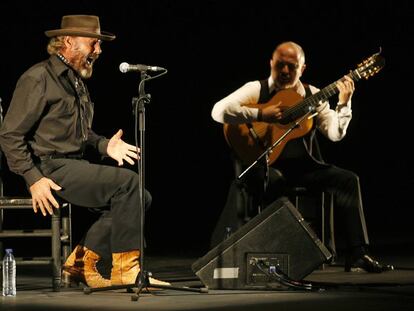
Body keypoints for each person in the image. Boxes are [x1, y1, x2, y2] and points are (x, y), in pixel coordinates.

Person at [0, 15, 169, 288]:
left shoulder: (75, 81)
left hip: (71, 164)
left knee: (140, 197)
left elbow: (80, 133)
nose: (99, 51)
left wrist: (104, 145)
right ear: (68, 42)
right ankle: (126, 270)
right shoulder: (38, 78)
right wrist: (33, 179)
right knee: (129, 184)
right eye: (93, 44)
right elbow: (9, 135)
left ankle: (80, 263)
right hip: (49, 168)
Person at [211, 41, 393, 273]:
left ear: (302, 68)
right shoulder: (257, 89)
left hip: (303, 169)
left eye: (292, 66)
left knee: (348, 180)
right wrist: (261, 113)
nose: (285, 71)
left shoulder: (313, 95)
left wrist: (344, 103)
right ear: (271, 64)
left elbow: (335, 135)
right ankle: (278, 257)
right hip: (264, 166)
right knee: (272, 181)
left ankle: (358, 254)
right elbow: (218, 111)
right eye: (280, 65)